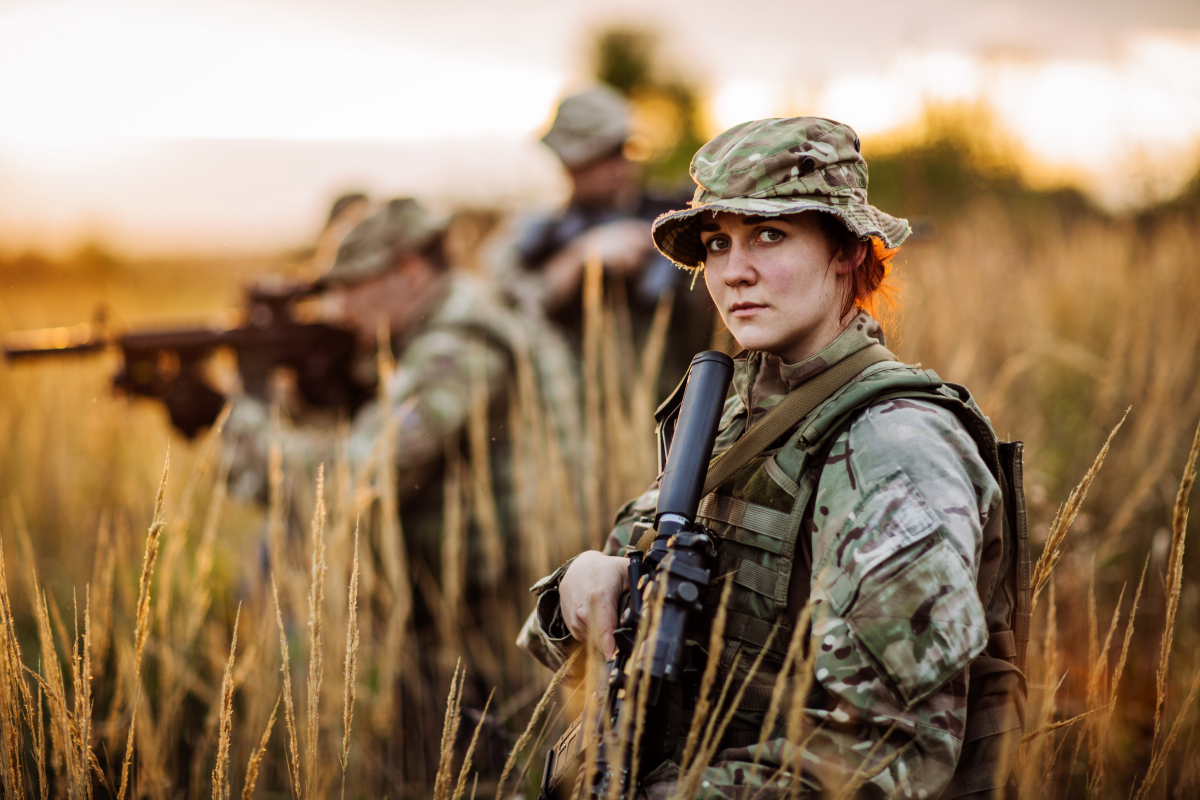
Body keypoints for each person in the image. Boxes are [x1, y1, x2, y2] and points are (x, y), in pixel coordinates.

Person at [518, 118, 1026, 798]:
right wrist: (581, 583)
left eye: (770, 235)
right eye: (718, 243)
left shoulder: (893, 445)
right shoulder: (735, 412)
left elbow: (889, 754)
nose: (735, 271)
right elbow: (577, 636)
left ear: (847, 251)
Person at [228, 197, 580, 633]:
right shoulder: (469, 308)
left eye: (350, 286)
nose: (337, 307)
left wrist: (235, 421)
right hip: (492, 605)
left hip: (493, 626)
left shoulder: (458, 347)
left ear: (410, 274)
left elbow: (354, 479)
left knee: (284, 548)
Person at [492, 85, 714, 401]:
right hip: (577, 406)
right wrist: (580, 258)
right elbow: (505, 308)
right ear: (570, 162)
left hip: (674, 402)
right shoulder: (541, 231)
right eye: (602, 155)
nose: (619, 165)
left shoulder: (669, 211)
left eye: (623, 149)